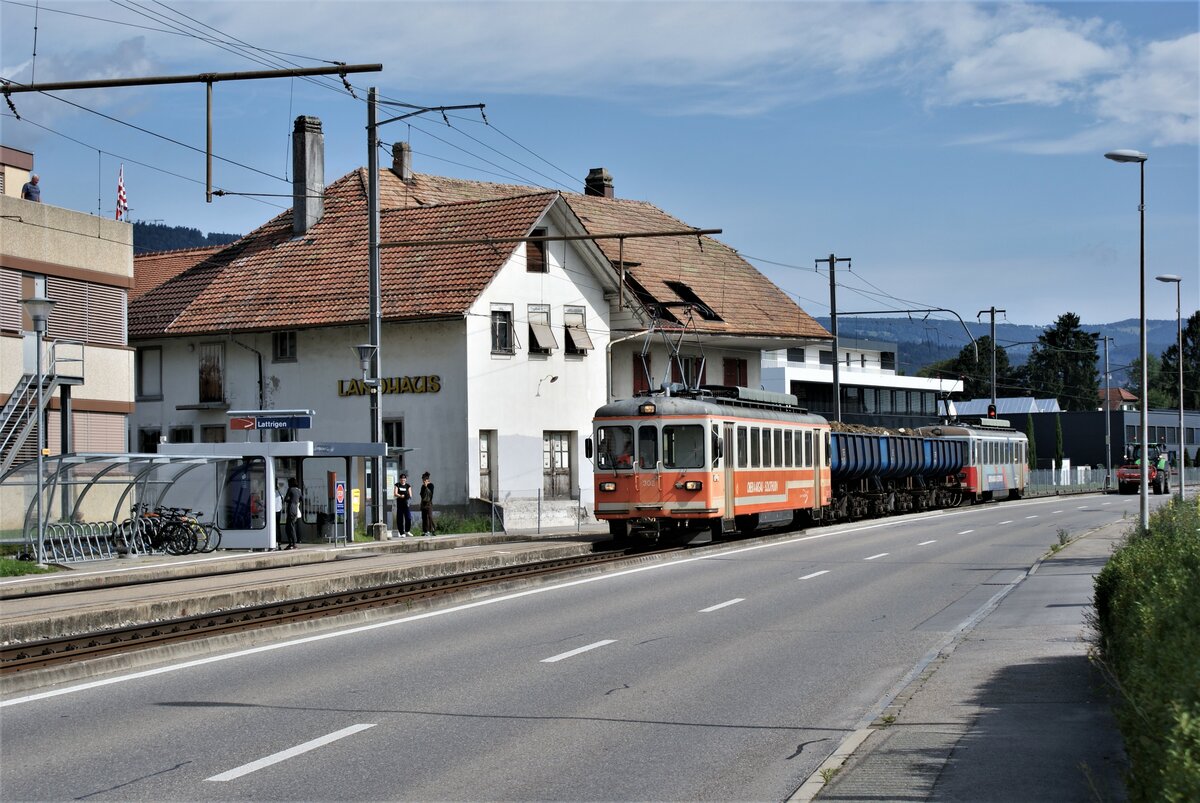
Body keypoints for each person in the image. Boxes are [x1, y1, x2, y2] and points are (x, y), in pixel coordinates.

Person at [282, 477, 302, 550]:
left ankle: (293, 543)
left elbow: (285, 499)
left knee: (289, 527)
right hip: (295, 510)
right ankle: (292, 543)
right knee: (291, 526)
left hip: (291, 509)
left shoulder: (290, 489)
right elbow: (301, 499)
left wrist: (291, 500)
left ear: (290, 483)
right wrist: (296, 501)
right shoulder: (299, 490)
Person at [393, 472, 413, 537]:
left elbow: (410, 495)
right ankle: (401, 532)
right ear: (400, 479)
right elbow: (395, 493)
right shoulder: (397, 485)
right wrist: (400, 495)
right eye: (401, 478)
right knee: (400, 519)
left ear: (406, 479)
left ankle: (407, 531)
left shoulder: (408, 486)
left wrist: (407, 496)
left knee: (408, 518)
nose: (403, 480)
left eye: (404, 478)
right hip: (399, 504)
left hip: (406, 504)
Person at [419, 471, 435, 536]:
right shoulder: (422, 486)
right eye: (423, 479)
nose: (423, 481)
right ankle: (425, 531)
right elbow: (421, 494)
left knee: (429, 517)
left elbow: (430, 494)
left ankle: (431, 530)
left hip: (429, 503)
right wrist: (424, 487)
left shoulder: (431, 485)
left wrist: (426, 487)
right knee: (424, 517)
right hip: (423, 503)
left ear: (428, 479)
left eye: (425, 479)